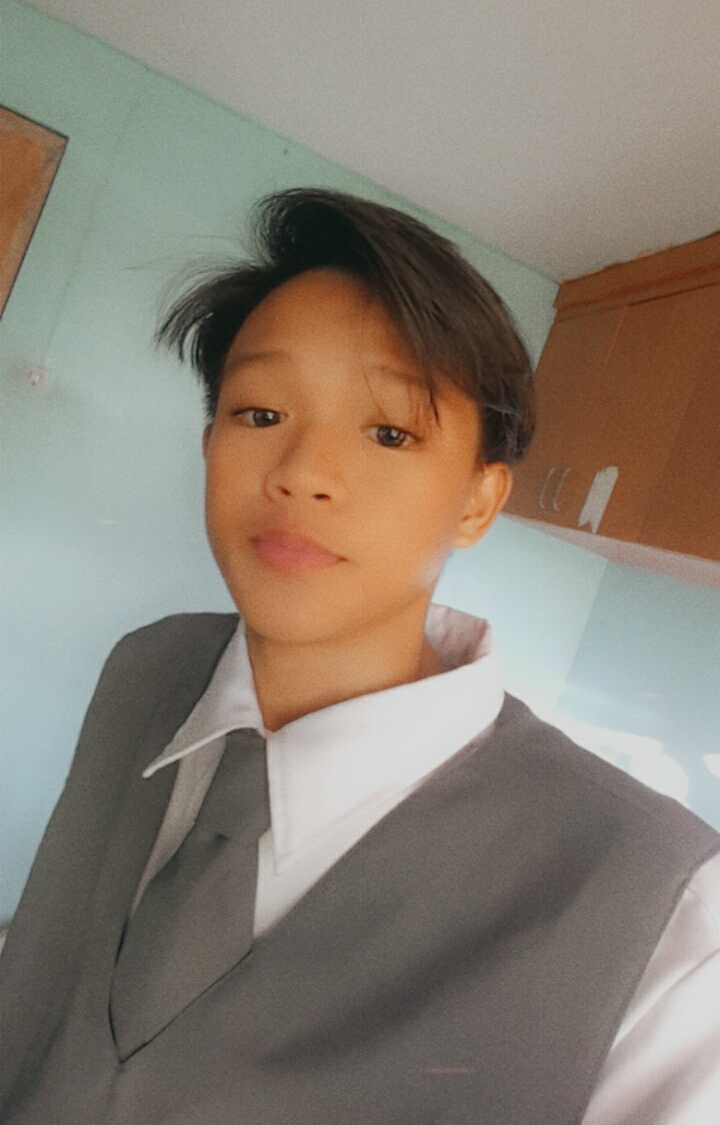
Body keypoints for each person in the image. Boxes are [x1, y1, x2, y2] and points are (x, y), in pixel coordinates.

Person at [1, 188, 719, 1124]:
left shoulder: (662, 918)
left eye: (389, 432)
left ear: (478, 501)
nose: (302, 472)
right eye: (260, 413)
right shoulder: (144, 667)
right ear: (210, 443)